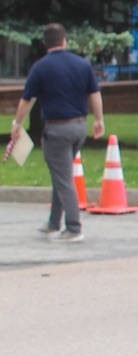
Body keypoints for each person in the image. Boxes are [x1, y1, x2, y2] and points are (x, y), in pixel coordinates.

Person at [4, 24, 105, 240]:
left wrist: (17, 125)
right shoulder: (81, 64)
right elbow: (94, 93)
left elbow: (27, 99)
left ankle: (74, 227)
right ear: (64, 41)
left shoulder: (41, 67)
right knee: (62, 174)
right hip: (79, 127)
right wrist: (98, 119)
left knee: (63, 178)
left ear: (44, 44)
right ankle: (53, 222)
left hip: (57, 128)